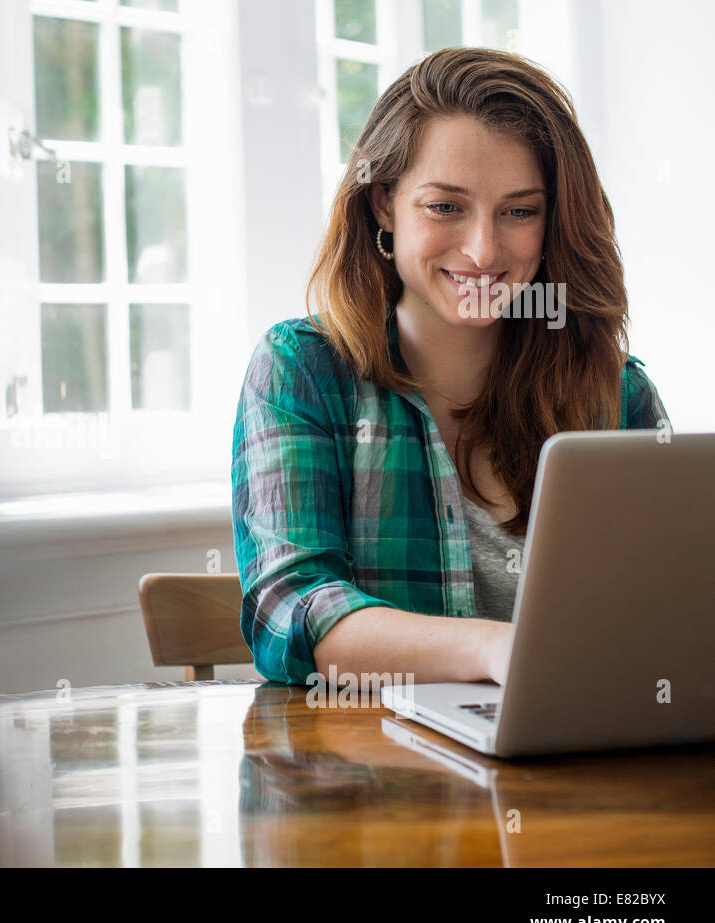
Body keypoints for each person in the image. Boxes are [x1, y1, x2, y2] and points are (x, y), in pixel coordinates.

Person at [231, 47, 669, 688]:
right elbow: (292, 612)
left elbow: (663, 612)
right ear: (383, 203)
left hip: (579, 772)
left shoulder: (618, 397)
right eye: (445, 207)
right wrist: (497, 651)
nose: (484, 250)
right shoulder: (302, 371)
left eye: (520, 211)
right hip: (375, 774)